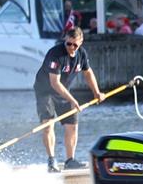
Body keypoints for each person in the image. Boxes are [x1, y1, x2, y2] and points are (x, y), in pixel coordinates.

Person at [33, 28, 106, 172]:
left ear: (80, 43)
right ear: (65, 40)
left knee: (72, 125)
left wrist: (97, 93)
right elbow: (55, 83)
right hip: (45, 91)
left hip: (63, 92)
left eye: (75, 45)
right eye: (68, 44)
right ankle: (51, 161)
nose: (71, 48)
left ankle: (70, 160)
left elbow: (88, 73)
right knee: (48, 124)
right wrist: (73, 99)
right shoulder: (55, 54)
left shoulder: (82, 54)